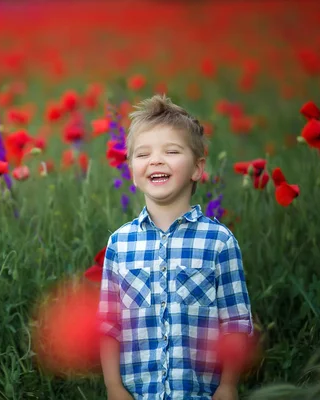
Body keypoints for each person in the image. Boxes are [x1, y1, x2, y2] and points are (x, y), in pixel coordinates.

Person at [98, 95, 254, 400]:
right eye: (143, 154)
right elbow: (108, 325)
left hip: (201, 393)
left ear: (197, 168)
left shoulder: (219, 242)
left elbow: (235, 322)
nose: (156, 160)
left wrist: (228, 385)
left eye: (171, 151)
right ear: (131, 170)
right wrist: (113, 387)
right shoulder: (119, 244)